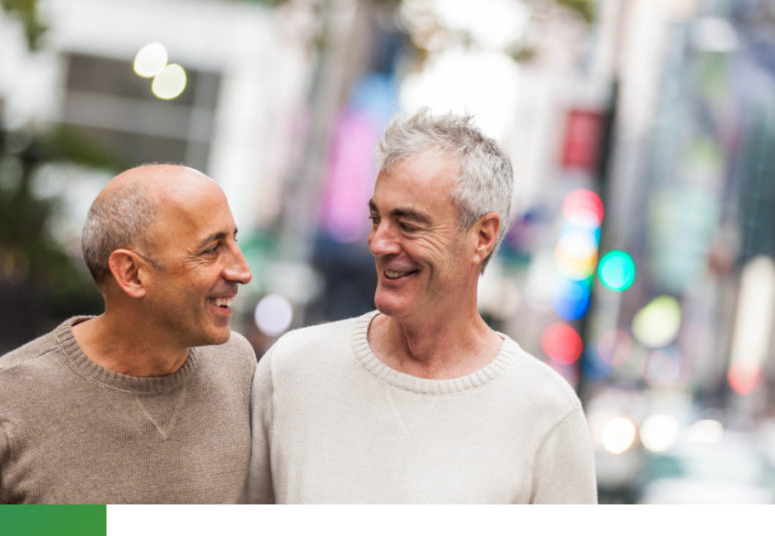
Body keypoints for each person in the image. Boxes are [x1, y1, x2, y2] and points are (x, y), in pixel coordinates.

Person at [247, 109, 597, 503]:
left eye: (408, 224)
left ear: (482, 236)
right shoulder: (293, 369)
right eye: (375, 218)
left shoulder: (546, 412)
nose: (379, 243)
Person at [0, 164, 256, 504]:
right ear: (132, 273)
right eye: (212, 249)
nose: (243, 271)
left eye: (234, 240)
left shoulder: (238, 366)